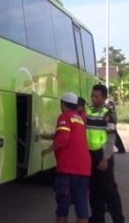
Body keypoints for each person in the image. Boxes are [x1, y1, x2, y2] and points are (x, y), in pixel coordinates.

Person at [42, 92, 91, 223]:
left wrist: (48, 150)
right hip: (84, 169)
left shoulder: (64, 117)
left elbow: (63, 138)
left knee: (63, 207)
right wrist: (45, 136)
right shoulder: (79, 118)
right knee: (82, 208)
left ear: (63, 104)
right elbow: (67, 135)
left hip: (68, 168)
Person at [87, 84, 125, 223]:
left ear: (104, 98)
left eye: (96, 96)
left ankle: (118, 219)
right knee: (94, 189)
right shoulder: (88, 111)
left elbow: (111, 139)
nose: (93, 99)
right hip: (90, 156)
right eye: (92, 96)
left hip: (103, 156)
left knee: (109, 191)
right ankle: (97, 218)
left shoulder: (108, 115)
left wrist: (105, 158)